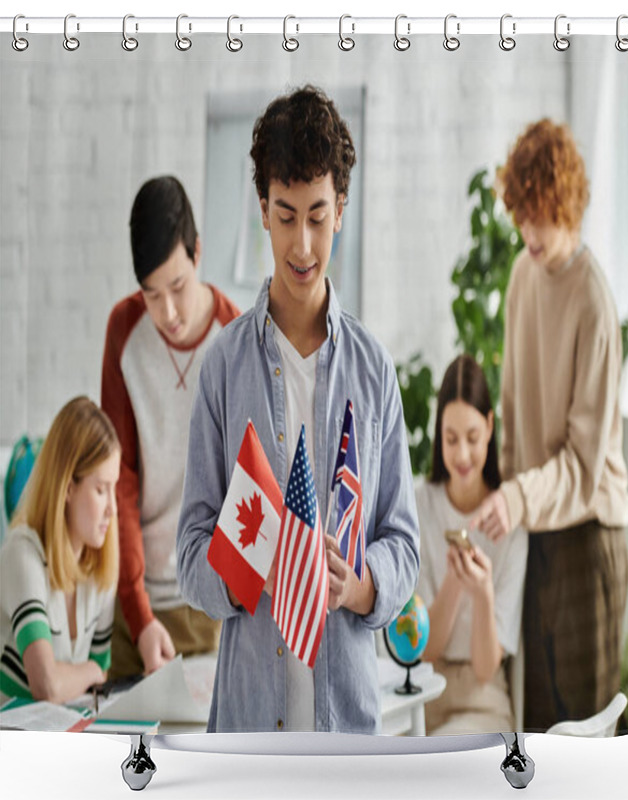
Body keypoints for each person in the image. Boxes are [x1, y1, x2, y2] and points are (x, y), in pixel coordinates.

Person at [176, 85, 419, 734]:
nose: (303, 245)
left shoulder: (374, 371)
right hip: (248, 723)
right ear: (262, 209)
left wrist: (361, 585)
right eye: (286, 216)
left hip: (347, 726)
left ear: (342, 208)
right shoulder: (223, 368)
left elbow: (404, 541)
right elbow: (191, 548)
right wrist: (238, 573)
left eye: (317, 215)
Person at [472, 119, 628, 731]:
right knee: (536, 733)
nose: (527, 232)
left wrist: (518, 495)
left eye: (539, 215)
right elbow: (513, 409)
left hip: (587, 537)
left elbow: (584, 466)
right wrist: (503, 494)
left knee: (586, 736)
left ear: (566, 206)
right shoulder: (520, 276)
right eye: (520, 214)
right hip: (533, 529)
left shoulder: (594, 301)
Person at [101, 176, 240, 679]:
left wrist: (229, 595)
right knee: (119, 756)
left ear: (198, 252)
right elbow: (120, 481)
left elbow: (244, 490)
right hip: (135, 610)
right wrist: (137, 615)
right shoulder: (125, 331)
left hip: (211, 608)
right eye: (152, 294)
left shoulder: (235, 339)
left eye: (177, 287)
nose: (169, 313)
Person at [416, 355, 527, 735]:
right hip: (423, 693)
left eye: (472, 438)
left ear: (491, 426)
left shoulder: (509, 526)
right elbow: (423, 650)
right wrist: (454, 582)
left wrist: (482, 594)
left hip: (483, 699)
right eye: (451, 439)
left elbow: (485, 668)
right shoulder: (419, 505)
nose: (462, 455)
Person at [0, 397, 120, 704]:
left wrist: (86, 673)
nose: (113, 509)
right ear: (68, 488)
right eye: (100, 489)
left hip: (59, 738)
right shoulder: (22, 555)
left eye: (114, 489)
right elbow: (48, 686)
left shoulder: (102, 568)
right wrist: (90, 669)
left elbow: (95, 687)